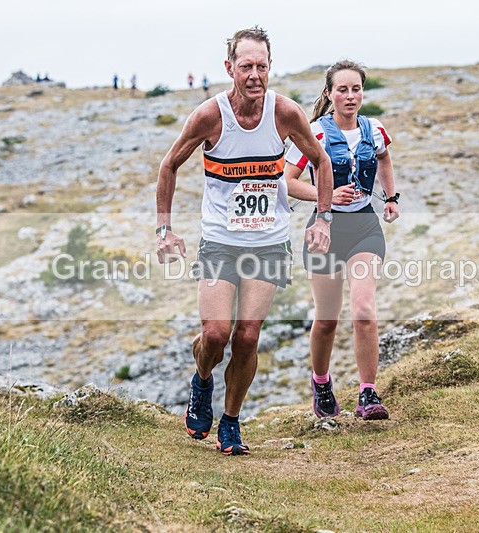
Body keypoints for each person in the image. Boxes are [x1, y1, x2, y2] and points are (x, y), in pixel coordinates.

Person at [156, 27, 333, 455]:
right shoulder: (209, 116)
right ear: (229, 68)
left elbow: (321, 161)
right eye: (246, 65)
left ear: (270, 67)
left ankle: (231, 422)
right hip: (220, 239)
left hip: (268, 241)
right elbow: (169, 166)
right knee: (216, 334)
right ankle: (202, 382)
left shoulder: (285, 113)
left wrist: (323, 217)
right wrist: (164, 229)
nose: (254, 74)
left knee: (248, 336)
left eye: (262, 66)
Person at [283, 60, 400, 421]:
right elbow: (286, 181)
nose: (350, 96)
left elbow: (384, 159)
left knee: (364, 310)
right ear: (329, 93)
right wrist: (328, 195)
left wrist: (391, 198)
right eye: (342, 90)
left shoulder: (374, 129)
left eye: (356, 89)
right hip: (325, 230)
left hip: (364, 227)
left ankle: (368, 393)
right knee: (328, 318)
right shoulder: (313, 132)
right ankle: (321, 383)